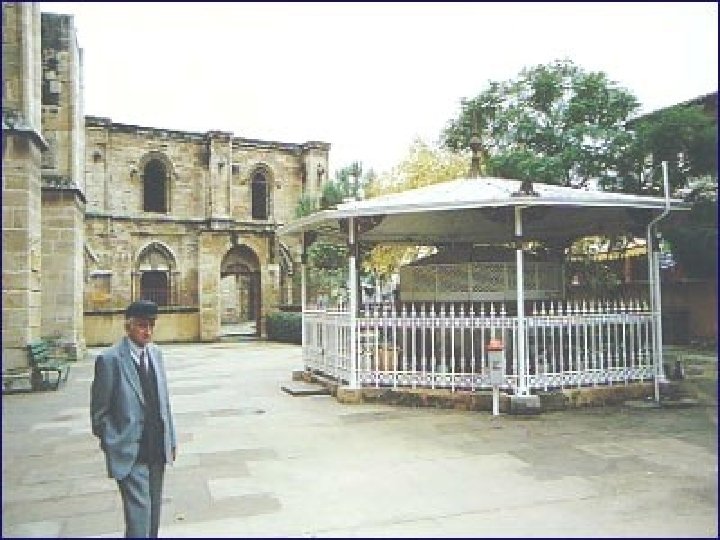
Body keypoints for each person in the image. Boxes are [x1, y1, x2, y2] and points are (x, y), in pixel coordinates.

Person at [90, 300, 177, 538]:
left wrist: (171, 439)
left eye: (151, 325)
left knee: (153, 517)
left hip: (157, 448)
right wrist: (113, 441)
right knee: (139, 518)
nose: (147, 331)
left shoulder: (156, 354)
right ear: (128, 327)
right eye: (141, 325)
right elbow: (99, 414)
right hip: (130, 452)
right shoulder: (110, 360)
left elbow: (164, 401)